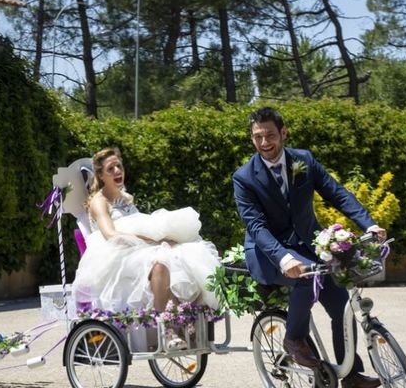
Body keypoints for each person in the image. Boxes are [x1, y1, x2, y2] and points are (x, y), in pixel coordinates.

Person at [233, 107, 385, 388]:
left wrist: (369, 224)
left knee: (342, 305)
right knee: (307, 277)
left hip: (308, 244)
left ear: (283, 133)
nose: (264, 143)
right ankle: (294, 337)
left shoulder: (303, 160)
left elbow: (337, 192)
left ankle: (350, 375)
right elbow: (256, 227)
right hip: (269, 253)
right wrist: (284, 258)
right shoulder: (244, 178)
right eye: (257, 137)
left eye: (270, 135)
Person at [72, 147, 220, 348]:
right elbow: (111, 235)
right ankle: (167, 331)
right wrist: (149, 241)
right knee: (159, 263)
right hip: (115, 255)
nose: (117, 171)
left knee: (188, 254)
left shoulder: (127, 198)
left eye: (119, 166)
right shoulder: (100, 201)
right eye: (110, 168)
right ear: (100, 175)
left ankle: (189, 317)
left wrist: (166, 238)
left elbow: (141, 225)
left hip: (137, 249)